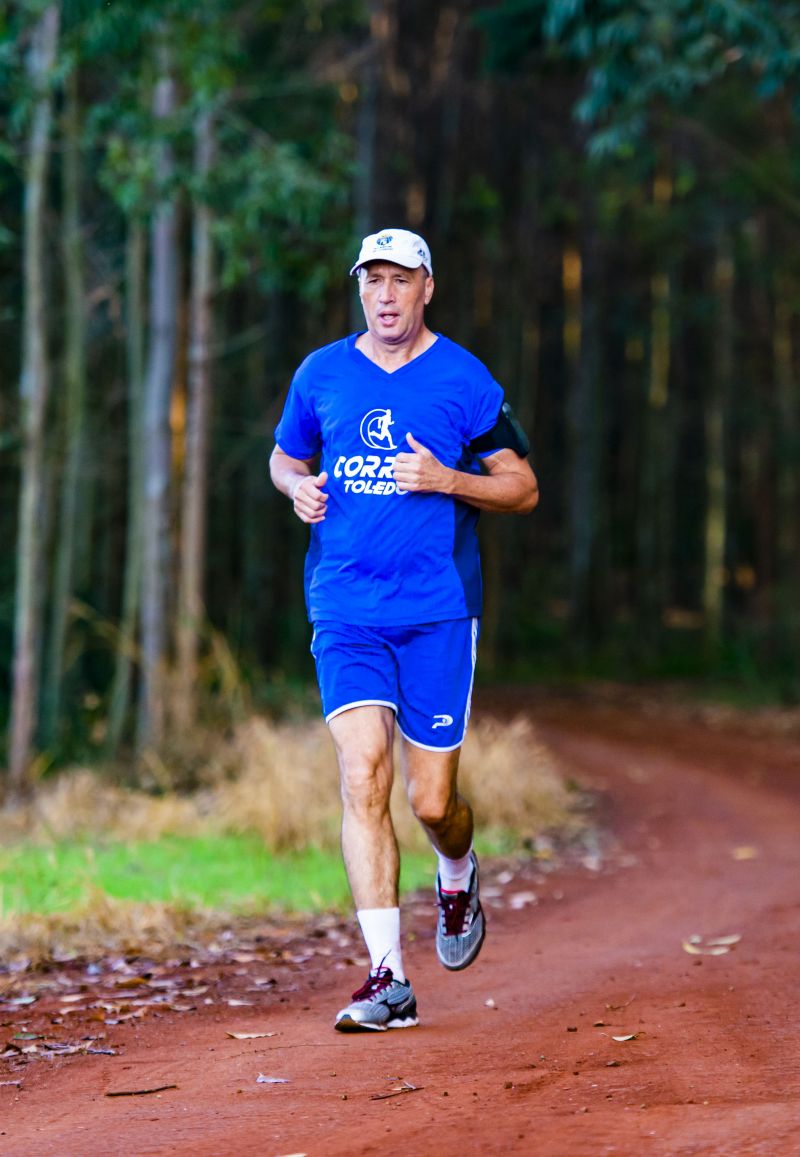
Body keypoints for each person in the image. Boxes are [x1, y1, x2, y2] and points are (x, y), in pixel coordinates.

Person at [270, 228, 539, 1032]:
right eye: (372, 280)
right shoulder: (320, 373)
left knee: (430, 801)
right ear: (360, 289)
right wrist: (297, 489)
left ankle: (455, 868)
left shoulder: (464, 379)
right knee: (363, 775)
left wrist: (449, 478)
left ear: (429, 287)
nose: (385, 295)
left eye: (401, 280)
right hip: (346, 607)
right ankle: (387, 976)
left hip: (436, 615)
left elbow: (521, 486)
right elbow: (285, 457)